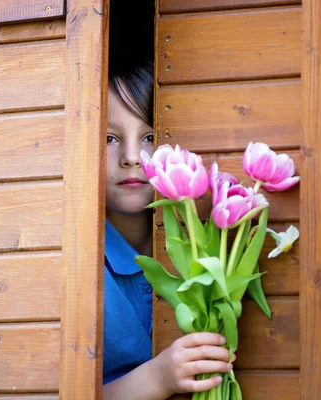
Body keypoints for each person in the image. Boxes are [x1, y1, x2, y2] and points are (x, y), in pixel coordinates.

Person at [101, 58, 235, 400]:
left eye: (148, 136)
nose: (132, 157)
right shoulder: (75, 259)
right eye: (110, 138)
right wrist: (158, 379)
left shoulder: (203, 245)